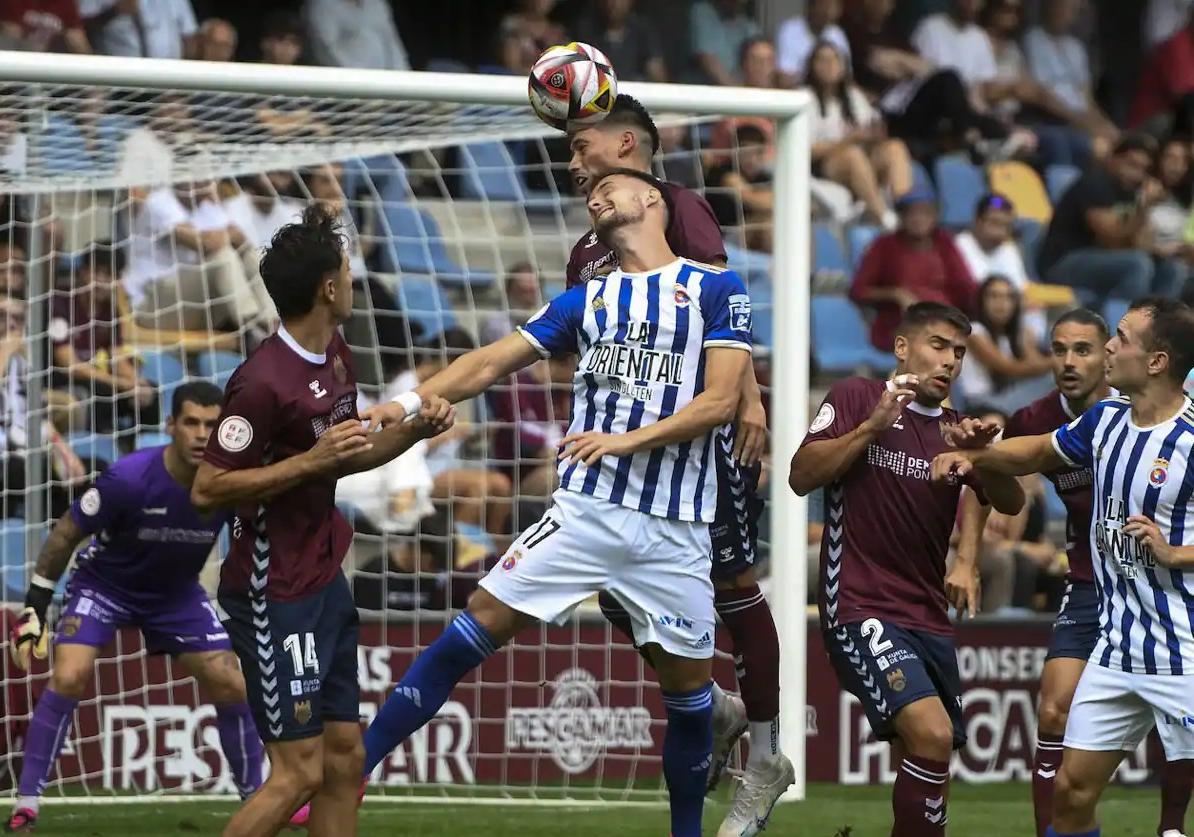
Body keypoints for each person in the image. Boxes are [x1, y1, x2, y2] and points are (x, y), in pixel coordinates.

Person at [360, 168, 762, 837]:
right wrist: (406, 401)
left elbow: (721, 399)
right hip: (588, 511)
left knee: (692, 706)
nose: (596, 195)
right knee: (469, 630)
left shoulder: (715, 288)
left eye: (612, 186)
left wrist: (627, 439)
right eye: (590, 190)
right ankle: (355, 770)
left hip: (677, 525)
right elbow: (490, 360)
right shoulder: (588, 298)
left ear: (652, 200)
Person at [189, 205, 454, 837]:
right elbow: (208, 488)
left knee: (344, 760)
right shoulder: (260, 383)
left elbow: (350, 452)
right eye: (347, 271)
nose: (356, 281)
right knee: (297, 772)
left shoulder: (335, 353)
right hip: (271, 588)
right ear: (328, 288)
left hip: (323, 576)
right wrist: (308, 461)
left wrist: (418, 431)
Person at [564, 95, 790, 832]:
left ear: (627, 145)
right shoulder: (587, 249)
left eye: (582, 148)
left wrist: (749, 398)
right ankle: (716, 705)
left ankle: (766, 757)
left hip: (701, 439)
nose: (573, 163)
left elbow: (726, 309)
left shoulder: (682, 206)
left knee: (733, 585)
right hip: (628, 451)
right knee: (609, 590)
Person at [930, 298, 1194, 837]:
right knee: (1070, 793)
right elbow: (1034, 454)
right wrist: (979, 454)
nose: (1111, 348)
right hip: (1117, 646)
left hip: (1185, 647)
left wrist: (1174, 554)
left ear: (1157, 362)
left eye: (1121, 337)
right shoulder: (1105, 420)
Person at [789, 302, 1025, 837]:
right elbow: (802, 476)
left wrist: (985, 461)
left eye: (959, 352)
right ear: (903, 348)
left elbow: (1005, 501)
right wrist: (871, 427)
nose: (950, 362)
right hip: (859, 604)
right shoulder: (855, 396)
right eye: (938, 346)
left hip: (928, 615)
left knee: (922, 755)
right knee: (934, 735)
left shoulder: (955, 428)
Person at [5, 382, 264, 833]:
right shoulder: (128, 478)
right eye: (191, 423)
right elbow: (66, 533)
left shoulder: (232, 483)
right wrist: (34, 606)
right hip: (104, 588)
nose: (202, 434)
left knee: (230, 682)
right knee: (68, 676)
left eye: (211, 424)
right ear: (170, 426)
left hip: (176, 594)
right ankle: (27, 801)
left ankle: (259, 801)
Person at [1038, 135, 1188, 307]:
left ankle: (1160, 327)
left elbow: (1142, 243)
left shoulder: (1133, 191)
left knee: (1172, 269)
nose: (1136, 174)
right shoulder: (1094, 183)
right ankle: (1128, 327)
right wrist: (1144, 207)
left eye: (1143, 169)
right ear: (1113, 159)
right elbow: (1110, 237)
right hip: (1064, 261)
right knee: (1136, 263)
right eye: (1132, 164)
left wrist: (1156, 248)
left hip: (1105, 259)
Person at [48, 243, 160, 436]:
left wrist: (135, 382)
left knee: (150, 391)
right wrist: (118, 383)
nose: (100, 280)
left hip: (96, 379)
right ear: (82, 271)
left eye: (108, 275)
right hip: (61, 380)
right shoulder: (60, 304)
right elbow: (68, 364)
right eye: (96, 272)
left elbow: (117, 357)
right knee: (95, 393)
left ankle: (142, 449)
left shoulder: (110, 310)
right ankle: (96, 446)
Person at [849, 189, 979, 351]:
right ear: (901, 217)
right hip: (901, 326)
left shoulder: (944, 242)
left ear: (935, 217)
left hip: (945, 321)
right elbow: (858, 291)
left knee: (977, 336)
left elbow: (964, 285)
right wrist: (895, 294)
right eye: (912, 213)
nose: (918, 219)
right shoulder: (884, 245)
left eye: (925, 213)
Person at [805, 39, 911, 227]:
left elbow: (869, 132)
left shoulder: (853, 96)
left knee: (895, 147)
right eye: (822, 60)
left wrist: (875, 136)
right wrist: (848, 140)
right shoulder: (805, 97)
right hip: (823, 168)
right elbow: (807, 150)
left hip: (863, 161)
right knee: (852, 155)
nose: (829, 65)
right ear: (812, 67)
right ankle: (884, 218)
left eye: (834, 60)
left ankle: (907, 212)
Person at [954, 274, 1052, 412]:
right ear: (981, 301)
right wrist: (1058, 361)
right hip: (979, 403)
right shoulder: (974, 331)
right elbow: (1010, 369)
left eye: (1008, 297)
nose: (1001, 303)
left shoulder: (1008, 336)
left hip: (1002, 398)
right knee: (1053, 382)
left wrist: (1025, 340)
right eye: (994, 296)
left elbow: (1034, 363)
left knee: (1054, 382)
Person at [573, 0, 666, 83]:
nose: (613, 3)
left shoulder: (643, 30)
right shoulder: (586, 31)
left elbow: (657, 71)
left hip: (636, 95)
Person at [304, 0, 410, 71]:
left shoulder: (377, 4)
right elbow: (326, 50)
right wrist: (359, 79)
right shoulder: (321, 6)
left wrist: (404, 76)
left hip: (386, 86)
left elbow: (392, 42)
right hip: (349, 89)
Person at [78, 0, 198, 60]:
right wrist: (115, 11)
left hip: (167, 79)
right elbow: (81, 30)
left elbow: (188, 36)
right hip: (120, 80)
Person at [689, 0, 762, 85]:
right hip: (708, 88)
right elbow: (707, 58)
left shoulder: (749, 26)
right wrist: (735, 92)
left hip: (740, 91)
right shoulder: (702, 11)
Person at [776, 0, 851, 83]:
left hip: (830, 93)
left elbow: (846, 76)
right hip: (799, 91)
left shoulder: (837, 34)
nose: (828, 11)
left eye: (833, 6)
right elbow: (785, 77)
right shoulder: (790, 30)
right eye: (824, 5)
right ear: (810, 7)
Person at [0, 0, 90, 53]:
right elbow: (11, 35)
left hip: (49, 62)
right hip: (13, 60)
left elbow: (77, 40)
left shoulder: (64, 3)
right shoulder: (10, 2)